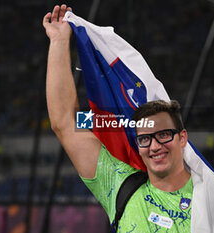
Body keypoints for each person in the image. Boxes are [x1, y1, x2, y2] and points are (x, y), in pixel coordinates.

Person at [43, 4, 192, 232]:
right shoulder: (120, 184)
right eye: (145, 139)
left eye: (163, 135)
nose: (155, 146)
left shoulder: (211, 197)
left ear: (182, 138)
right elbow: (65, 123)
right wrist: (59, 41)